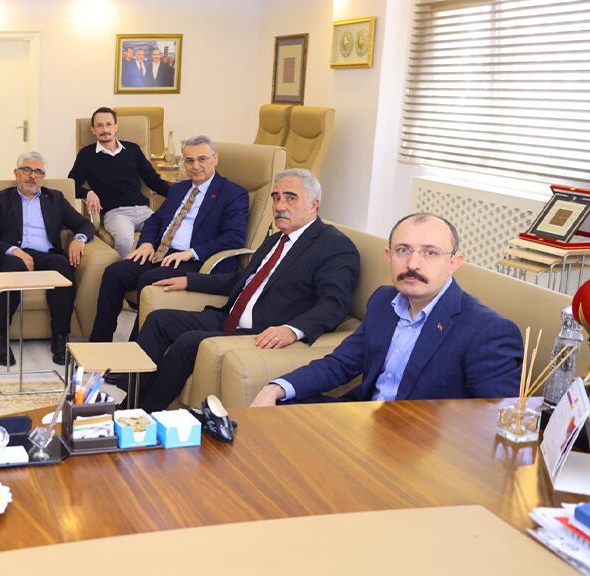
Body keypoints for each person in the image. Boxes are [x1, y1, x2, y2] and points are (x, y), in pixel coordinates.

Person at [134, 168, 359, 411]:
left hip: (261, 331)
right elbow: (242, 279)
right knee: (159, 320)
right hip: (229, 317)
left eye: (290, 198)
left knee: (188, 342)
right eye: (276, 197)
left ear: (314, 204)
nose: (279, 205)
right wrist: (190, 281)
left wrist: (292, 330)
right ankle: (129, 399)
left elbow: (334, 304)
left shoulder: (334, 245)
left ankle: (143, 414)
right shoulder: (276, 239)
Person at [250, 213, 522, 406]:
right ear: (389, 256)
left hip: (423, 448)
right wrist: (276, 388)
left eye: (430, 252)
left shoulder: (488, 330)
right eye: (403, 250)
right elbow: (340, 364)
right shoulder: (383, 301)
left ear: (454, 263)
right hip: (364, 420)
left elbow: (492, 421)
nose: (413, 264)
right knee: (277, 410)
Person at [89, 135, 248, 343]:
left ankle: (134, 351)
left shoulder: (234, 193)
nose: (195, 166)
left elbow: (234, 237)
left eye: (202, 159)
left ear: (215, 159)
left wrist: (191, 253)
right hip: (162, 253)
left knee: (149, 279)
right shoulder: (179, 189)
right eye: (189, 160)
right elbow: (155, 220)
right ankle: (98, 343)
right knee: (114, 272)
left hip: (197, 260)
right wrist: (146, 243)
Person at [0, 151, 96, 367]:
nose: (32, 176)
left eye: (38, 172)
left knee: (61, 265)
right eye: (26, 170)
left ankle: (60, 337)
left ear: (43, 177)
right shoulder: (0, 198)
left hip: (45, 256)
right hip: (11, 257)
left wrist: (79, 239)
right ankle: (0, 338)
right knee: (14, 266)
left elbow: (85, 225)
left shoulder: (55, 198)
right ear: (16, 173)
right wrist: (15, 251)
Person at [68, 107, 172, 258]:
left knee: (168, 235)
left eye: (109, 124)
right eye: (99, 125)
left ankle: (154, 269)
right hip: (116, 214)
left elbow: (153, 180)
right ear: (93, 130)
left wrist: (179, 195)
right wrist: (88, 192)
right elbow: (71, 185)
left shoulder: (132, 149)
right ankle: (124, 271)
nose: (105, 129)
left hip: (143, 210)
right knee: (125, 242)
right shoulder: (87, 155)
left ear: (116, 126)